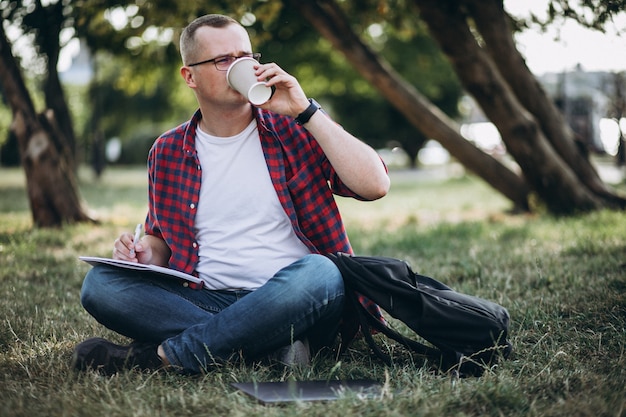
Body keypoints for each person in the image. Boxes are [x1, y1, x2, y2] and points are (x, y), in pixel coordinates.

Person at [72, 13, 389, 375]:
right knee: (101, 284)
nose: (240, 67)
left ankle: (161, 358)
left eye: (246, 57)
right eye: (223, 60)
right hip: (208, 298)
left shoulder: (297, 126)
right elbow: (161, 240)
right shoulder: (168, 150)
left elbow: (375, 185)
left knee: (322, 272)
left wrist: (306, 110)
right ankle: (267, 348)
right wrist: (142, 254)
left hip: (296, 298)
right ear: (189, 76)